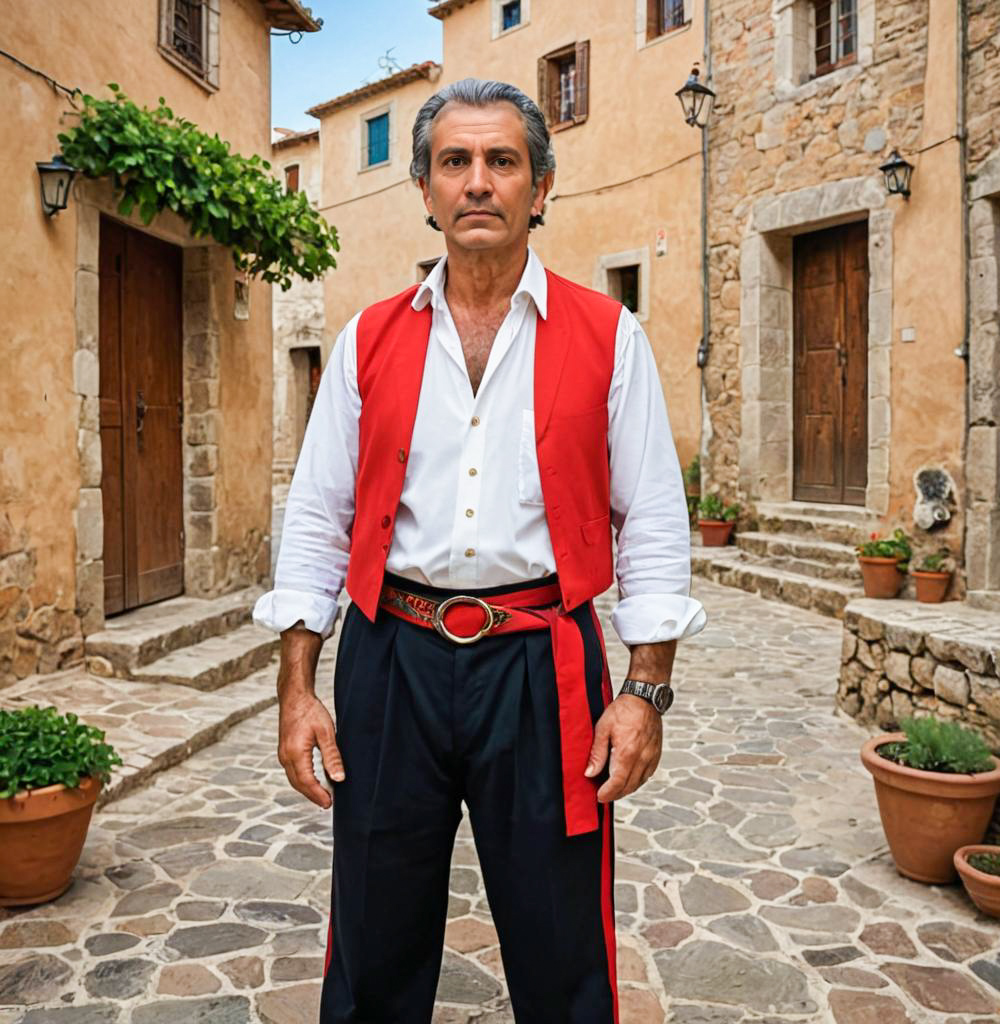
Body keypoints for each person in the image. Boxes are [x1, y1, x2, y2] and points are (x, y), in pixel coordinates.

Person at [253, 77, 706, 1024]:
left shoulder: (610, 337)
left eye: (502, 161)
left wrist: (645, 688)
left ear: (540, 187)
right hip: (392, 660)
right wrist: (299, 688)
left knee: (561, 945)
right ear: (424, 189)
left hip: (545, 668)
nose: (478, 182)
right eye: (454, 162)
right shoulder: (366, 341)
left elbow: (655, 519)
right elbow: (317, 515)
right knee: (373, 941)